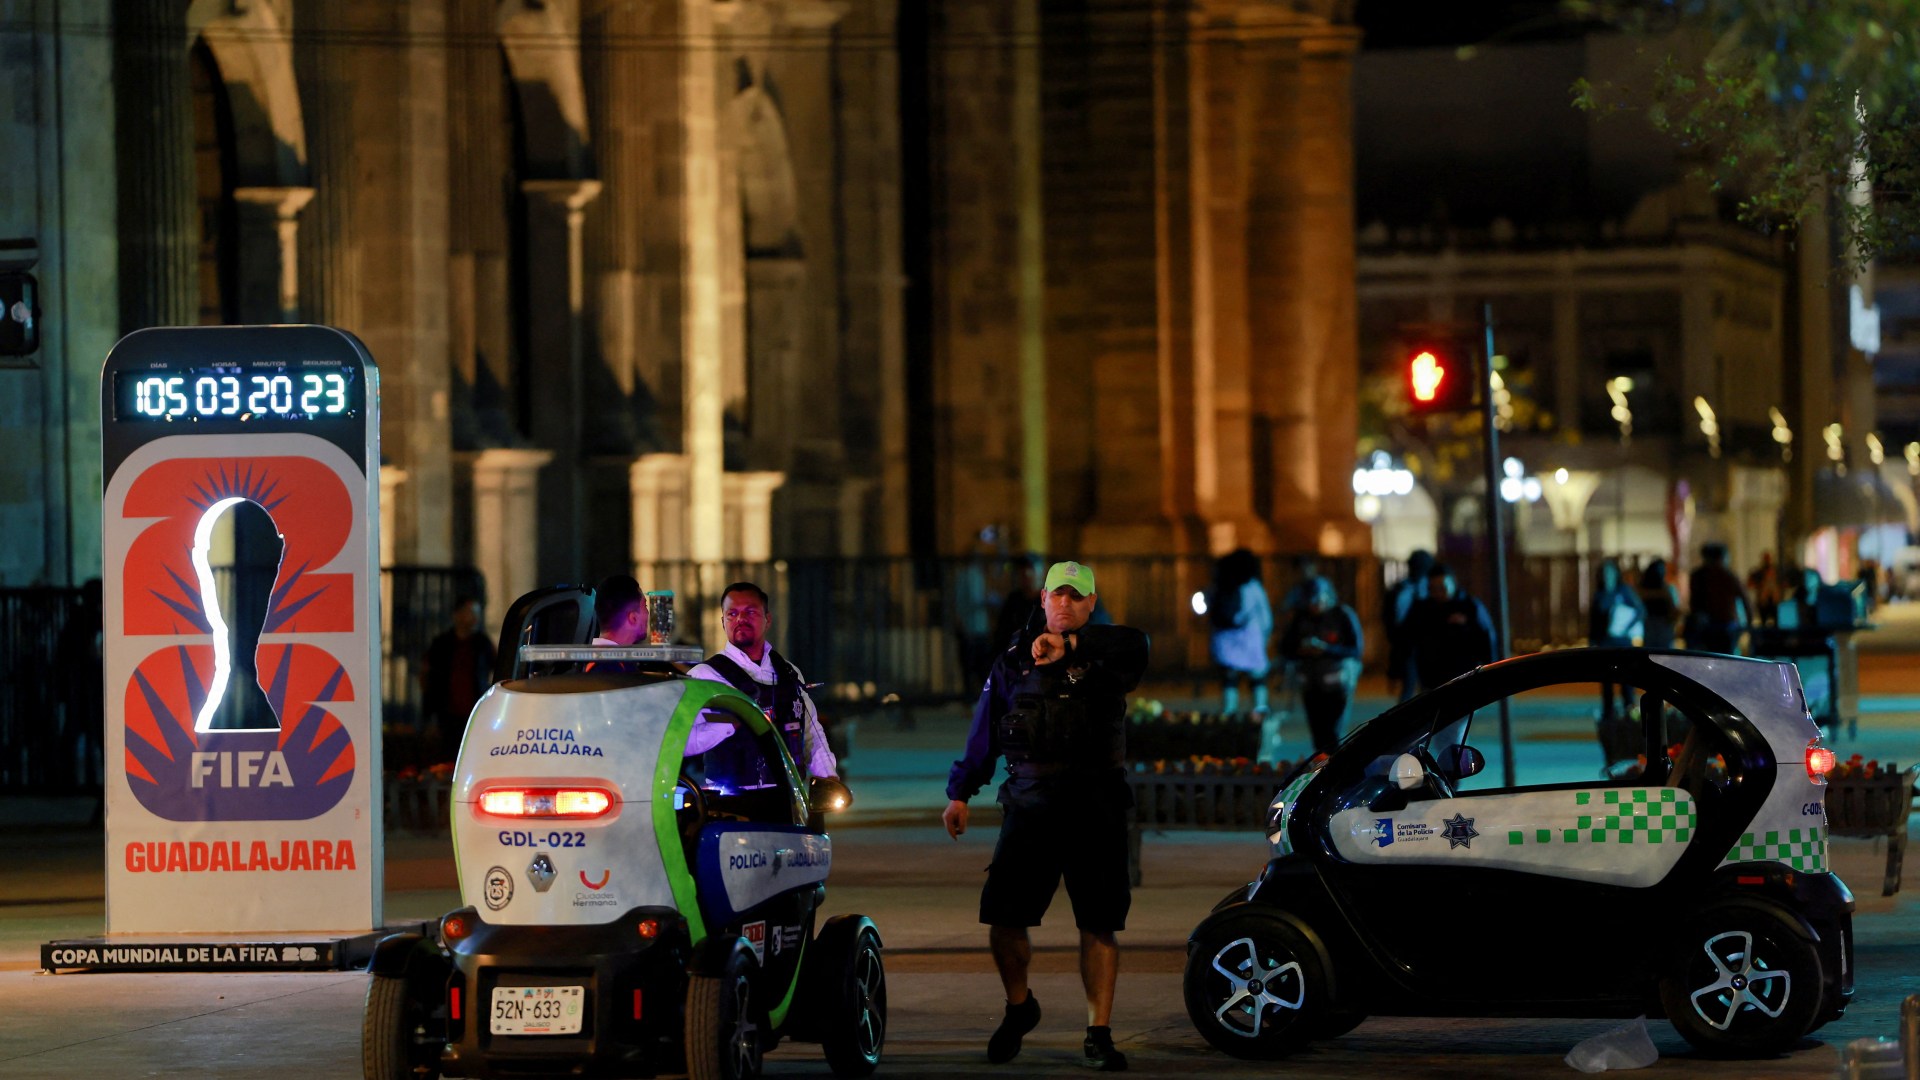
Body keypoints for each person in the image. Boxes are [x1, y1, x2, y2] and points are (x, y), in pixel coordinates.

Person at [942, 560, 1149, 1072]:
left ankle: (1098, 1033)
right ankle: (1019, 1007)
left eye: (1077, 596)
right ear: (1042, 598)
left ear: (1091, 603)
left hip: (1095, 805)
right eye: (1058, 594)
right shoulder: (1014, 659)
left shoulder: (1110, 652)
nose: (1065, 604)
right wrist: (961, 792)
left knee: (1099, 924)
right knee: (1003, 918)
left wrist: (1072, 647)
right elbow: (985, 728)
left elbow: (1137, 644)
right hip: (1031, 803)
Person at [687, 581, 838, 780]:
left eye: (750, 612)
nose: (741, 619)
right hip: (730, 796)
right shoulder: (704, 676)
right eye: (732, 613)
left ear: (768, 620)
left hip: (789, 794)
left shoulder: (789, 672)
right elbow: (682, 741)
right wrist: (729, 724)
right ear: (723, 622)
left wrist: (830, 778)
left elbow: (811, 733)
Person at [1279, 577, 1364, 755]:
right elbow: (1285, 648)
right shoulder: (1301, 618)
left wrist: (1326, 649)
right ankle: (1321, 765)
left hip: (1338, 684)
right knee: (1318, 736)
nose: (1314, 607)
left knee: (1334, 734)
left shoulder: (1342, 615)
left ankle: (1335, 765)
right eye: (1310, 603)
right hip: (1310, 684)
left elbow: (1355, 650)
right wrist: (1301, 650)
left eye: (1317, 602)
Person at [420, 595, 495, 761]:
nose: (474, 618)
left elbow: (497, 666)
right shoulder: (441, 644)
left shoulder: (482, 643)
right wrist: (430, 714)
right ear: (457, 615)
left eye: (476, 613)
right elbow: (428, 676)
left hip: (474, 710)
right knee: (447, 756)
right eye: (470, 612)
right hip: (447, 713)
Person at [1408, 564, 1496, 692]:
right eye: (1433, 588)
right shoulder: (1424, 609)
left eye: (1442, 587)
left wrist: (1489, 669)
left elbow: (1486, 637)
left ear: (1453, 583)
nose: (1438, 593)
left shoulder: (1470, 606)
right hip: (1433, 679)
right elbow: (1413, 640)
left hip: (1464, 676)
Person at [1206, 549, 1273, 716]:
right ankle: (1259, 711)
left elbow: (1212, 613)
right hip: (1250, 637)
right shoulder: (1253, 586)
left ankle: (1229, 712)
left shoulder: (1219, 586)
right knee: (1257, 677)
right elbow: (1265, 615)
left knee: (1229, 678)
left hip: (1225, 638)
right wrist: (1265, 636)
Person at [1588, 559, 1646, 722]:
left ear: (1615, 573)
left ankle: (1629, 712)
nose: (1606, 576)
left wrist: (1627, 627)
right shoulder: (1599, 594)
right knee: (1606, 682)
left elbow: (1640, 610)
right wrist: (1592, 642)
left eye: (1609, 572)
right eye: (1604, 573)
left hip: (1622, 643)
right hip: (1605, 644)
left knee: (1626, 679)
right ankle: (1609, 714)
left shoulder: (1624, 591)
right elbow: (1594, 622)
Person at [1382, 549, 1434, 703]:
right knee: (1409, 685)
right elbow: (1390, 618)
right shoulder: (1401, 590)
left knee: (1425, 685)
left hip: (1426, 644)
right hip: (1407, 644)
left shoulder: (1430, 588)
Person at [1686, 543, 1750, 654]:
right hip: (1727, 626)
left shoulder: (1697, 576)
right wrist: (1749, 625)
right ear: (1722, 557)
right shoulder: (1729, 576)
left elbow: (1693, 603)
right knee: (1727, 659)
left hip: (1705, 626)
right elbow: (1746, 601)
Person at [1637, 560, 1681, 649]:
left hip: (1660, 624)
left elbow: (1674, 611)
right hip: (1654, 624)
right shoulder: (1666, 591)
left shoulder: (1668, 589)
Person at [1747, 551, 1782, 625]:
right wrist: (1760, 585)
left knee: (1777, 623)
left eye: (1769, 559)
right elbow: (1749, 584)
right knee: (1763, 622)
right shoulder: (1758, 572)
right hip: (1763, 602)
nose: (1768, 561)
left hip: (1774, 601)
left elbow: (1783, 584)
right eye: (1766, 559)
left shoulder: (1777, 572)